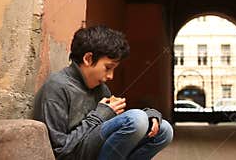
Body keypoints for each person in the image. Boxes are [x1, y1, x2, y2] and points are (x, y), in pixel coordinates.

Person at [33, 25, 173, 160]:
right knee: (136, 119)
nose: (111, 76)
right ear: (88, 59)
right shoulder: (57, 87)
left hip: (100, 152)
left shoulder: (101, 89)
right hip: (72, 155)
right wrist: (100, 115)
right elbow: (60, 150)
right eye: (108, 68)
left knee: (164, 131)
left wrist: (149, 115)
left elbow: (120, 124)